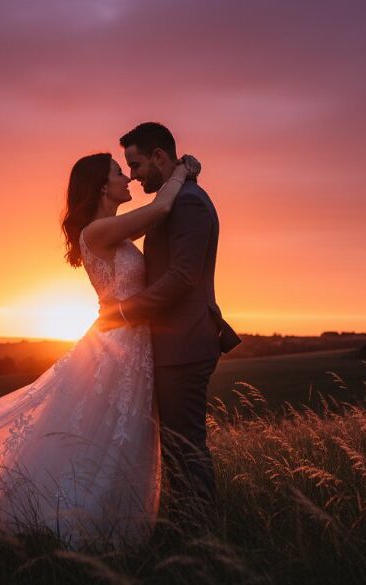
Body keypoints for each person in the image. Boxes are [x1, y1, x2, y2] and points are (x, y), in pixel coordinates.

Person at [0, 150, 200, 549]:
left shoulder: (116, 231)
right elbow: (159, 209)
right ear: (101, 186)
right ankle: (75, 525)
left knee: (117, 437)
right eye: (118, 172)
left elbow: (156, 218)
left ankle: (107, 522)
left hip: (130, 345)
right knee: (101, 435)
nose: (127, 177)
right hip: (116, 346)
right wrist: (182, 171)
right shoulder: (97, 232)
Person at [97, 122, 241, 529]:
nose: (133, 174)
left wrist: (123, 313)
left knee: (185, 447)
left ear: (160, 156)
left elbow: (181, 278)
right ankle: (185, 526)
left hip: (185, 345)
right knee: (176, 447)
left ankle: (201, 536)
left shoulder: (189, 203)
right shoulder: (174, 198)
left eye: (136, 164)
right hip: (172, 346)